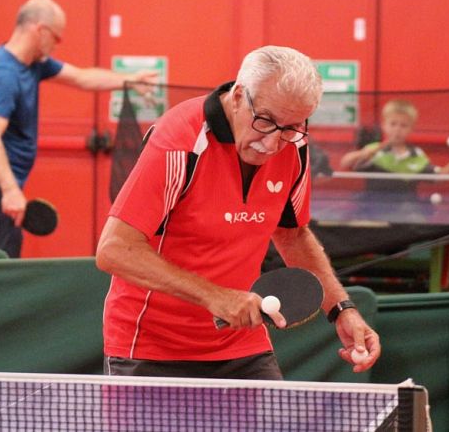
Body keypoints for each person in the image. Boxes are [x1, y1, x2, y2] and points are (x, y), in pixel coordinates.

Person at [95, 46, 380, 380]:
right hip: (150, 349)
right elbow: (114, 249)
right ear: (239, 96)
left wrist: (342, 309)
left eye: (291, 127)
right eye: (266, 121)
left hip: (242, 346)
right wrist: (215, 297)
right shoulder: (180, 143)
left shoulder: (295, 148)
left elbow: (292, 235)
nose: (272, 144)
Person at [0, 0, 156, 258]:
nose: (57, 45)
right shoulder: (4, 75)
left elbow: (82, 77)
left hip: (4, 186)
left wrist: (129, 79)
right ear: (40, 30)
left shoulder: (33, 65)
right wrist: (9, 190)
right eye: (56, 37)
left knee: (8, 258)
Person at [339, 99, 449, 175]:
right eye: (393, 124)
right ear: (384, 126)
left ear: (411, 129)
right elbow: (345, 163)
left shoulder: (416, 155)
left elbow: (439, 176)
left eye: (403, 125)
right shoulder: (373, 150)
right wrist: (372, 151)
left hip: (408, 208)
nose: (397, 129)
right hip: (372, 207)